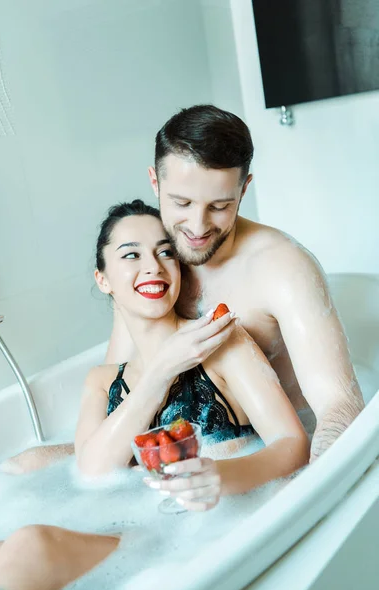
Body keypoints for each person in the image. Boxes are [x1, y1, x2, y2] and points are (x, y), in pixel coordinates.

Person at [0, 200, 309, 590]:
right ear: (103, 279)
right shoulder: (102, 381)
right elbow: (93, 471)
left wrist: (222, 478)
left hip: (180, 537)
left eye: (165, 251)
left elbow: (292, 443)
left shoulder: (220, 340)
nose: (153, 266)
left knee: (30, 544)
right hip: (117, 527)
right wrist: (161, 370)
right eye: (131, 254)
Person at [106, 105, 364, 461]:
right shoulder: (151, 270)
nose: (197, 226)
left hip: (277, 454)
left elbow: (339, 407)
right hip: (183, 454)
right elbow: (116, 390)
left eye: (219, 206)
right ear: (155, 182)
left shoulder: (281, 267)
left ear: (244, 189)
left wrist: (310, 490)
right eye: (181, 202)